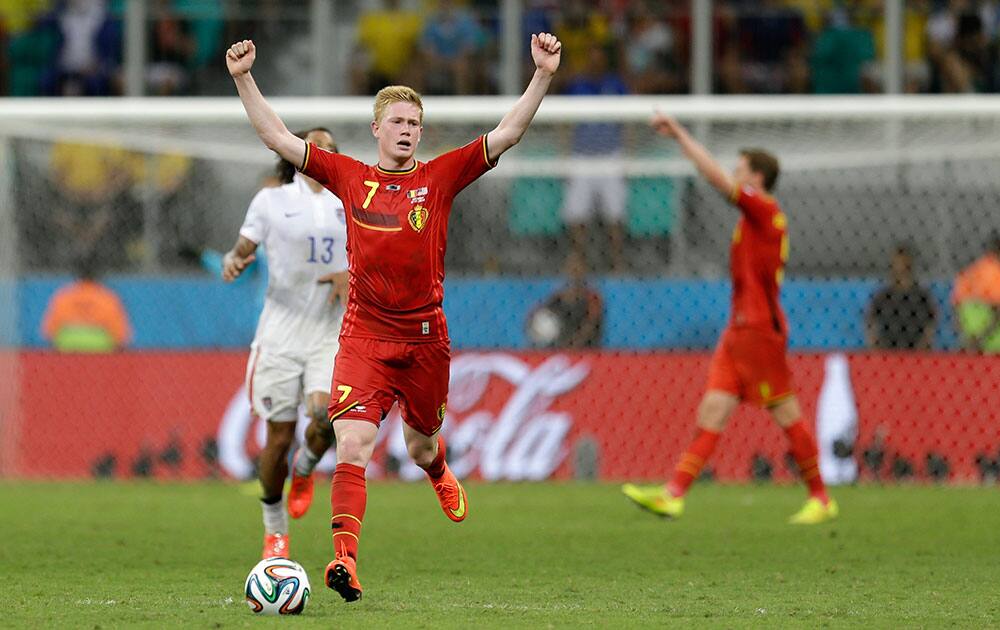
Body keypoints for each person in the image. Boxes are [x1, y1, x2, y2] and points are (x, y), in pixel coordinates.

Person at [226, 31, 562, 601]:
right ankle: (344, 561)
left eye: (415, 124)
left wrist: (543, 75)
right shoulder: (350, 176)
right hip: (363, 337)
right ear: (378, 129)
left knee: (421, 447)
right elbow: (277, 137)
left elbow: (508, 132)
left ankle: (437, 470)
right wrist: (243, 79)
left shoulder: (441, 177)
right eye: (398, 122)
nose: (407, 131)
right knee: (352, 445)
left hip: (426, 340)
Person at [622, 113, 838, 525]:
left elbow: (717, 181)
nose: (734, 175)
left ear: (756, 176)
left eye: (740, 169)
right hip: (737, 331)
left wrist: (682, 136)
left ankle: (821, 498)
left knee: (786, 413)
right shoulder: (752, 221)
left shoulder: (764, 210)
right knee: (713, 411)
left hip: (759, 332)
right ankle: (673, 495)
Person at [221, 127, 349, 560]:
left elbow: (376, 258)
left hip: (329, 334)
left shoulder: (349, 203)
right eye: (315, 145)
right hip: (279, 336)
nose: (323, 152)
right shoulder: (271, 201)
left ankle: (307, 466)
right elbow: (243, 246)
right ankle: (275, 533)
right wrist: (234, 259)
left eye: (331, 147)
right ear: (297, 153)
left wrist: (351, 277)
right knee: (277, 439)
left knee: (328, 415)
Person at [561, 44, 629, 273]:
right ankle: (579, 261)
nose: (595, 64)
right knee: (577, 214)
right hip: (582, 156)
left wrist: (627, 156)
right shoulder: (577, 87)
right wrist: (565, 158)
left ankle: (617, 263)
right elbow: (565, 124)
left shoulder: (616, 85)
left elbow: (628, 122)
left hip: (611, 156)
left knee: (615, 214)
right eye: (592, 60)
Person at [40, 255, 131, 352]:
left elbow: (49, 333)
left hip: (67, 347)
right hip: (100, 349)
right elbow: (121, 337)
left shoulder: (63, 296)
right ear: (99, 274)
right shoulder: (108, 298)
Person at [866, 245, 937, 350]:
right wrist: (875, 344)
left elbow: (931, 322)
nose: (901, 268)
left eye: (904, 264)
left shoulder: (922, 295)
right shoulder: (883, 295)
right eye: (898, 264)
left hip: (915, 350)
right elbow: (870, 320)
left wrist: (923, 346)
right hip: (888, 350)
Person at [526, 252, 603, 349]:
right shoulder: (558, 297)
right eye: (572, 266)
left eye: (578, 267)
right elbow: (535, 313)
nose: (575, 271)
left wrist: (571, 346)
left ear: (585, 270)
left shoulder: (593, 298)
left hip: (587, 350)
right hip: (561, 348)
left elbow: (591, 325)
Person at [952, 231, 1000, 353]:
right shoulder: (994, 272)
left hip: (969, 340)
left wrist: (970, 338)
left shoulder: (968, 273)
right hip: (992, 343)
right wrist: (980, 338)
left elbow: (956, 310)